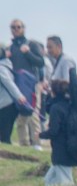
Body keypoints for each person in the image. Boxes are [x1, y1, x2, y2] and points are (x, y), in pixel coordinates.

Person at [39, 78, 77, 186]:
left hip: (61, 151)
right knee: (49, 181)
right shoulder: (71, 106)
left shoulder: (56, 108)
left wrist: (40, 134)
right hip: (71, 149)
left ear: (54, 92)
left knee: (66, 183)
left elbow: (54, 131)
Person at [8, 19, 44, 147]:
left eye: (18, 27)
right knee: (20, 117)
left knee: (34, 113)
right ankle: (24, 144)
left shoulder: (31, 44)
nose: (16, 29)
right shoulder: (11, 48)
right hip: (17, 85)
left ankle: (37, 143)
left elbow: (41, 62)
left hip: (31, 85)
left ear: (23, 28)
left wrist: (28, 53)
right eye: (13, 27)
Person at [0, 44, 32, 144]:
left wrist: (19, 96)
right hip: (10, 104)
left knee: (4, 135)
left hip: (6, 104)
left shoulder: (1, 68)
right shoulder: (8, 65)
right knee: (5, 134)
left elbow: (8, 82)